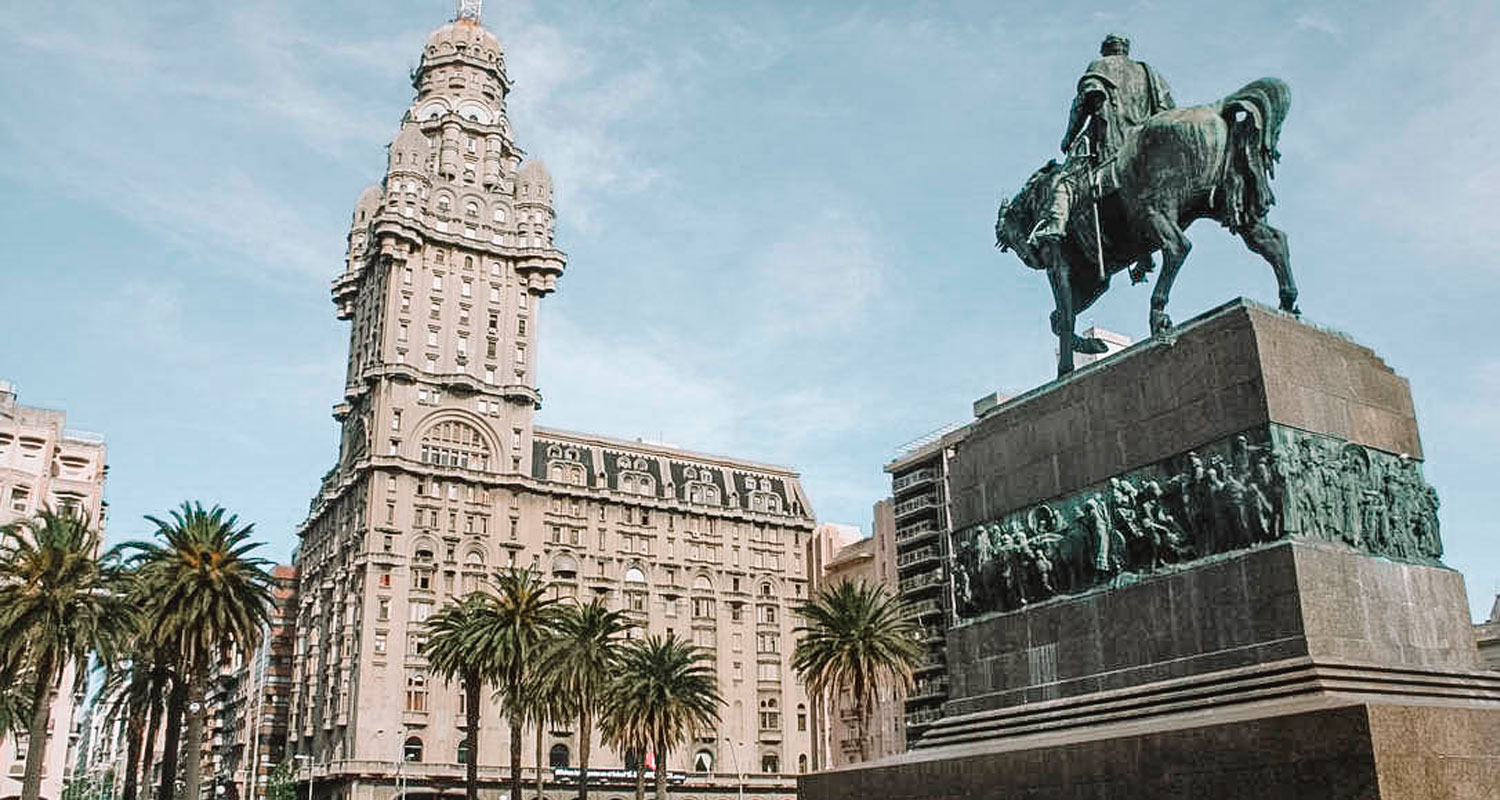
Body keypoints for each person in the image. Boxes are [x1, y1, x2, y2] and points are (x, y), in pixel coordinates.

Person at [1034, 34, 1175, 283]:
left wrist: (1069, 136)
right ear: (1126, 50)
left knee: (1063, 180)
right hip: (1146, 145)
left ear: (1106, 51)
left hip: (1114, 142)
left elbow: (1084, 102)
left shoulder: (1100, 66)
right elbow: (1168, 109)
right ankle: (1142, 248)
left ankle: (1054, 225)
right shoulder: (1148, 72)